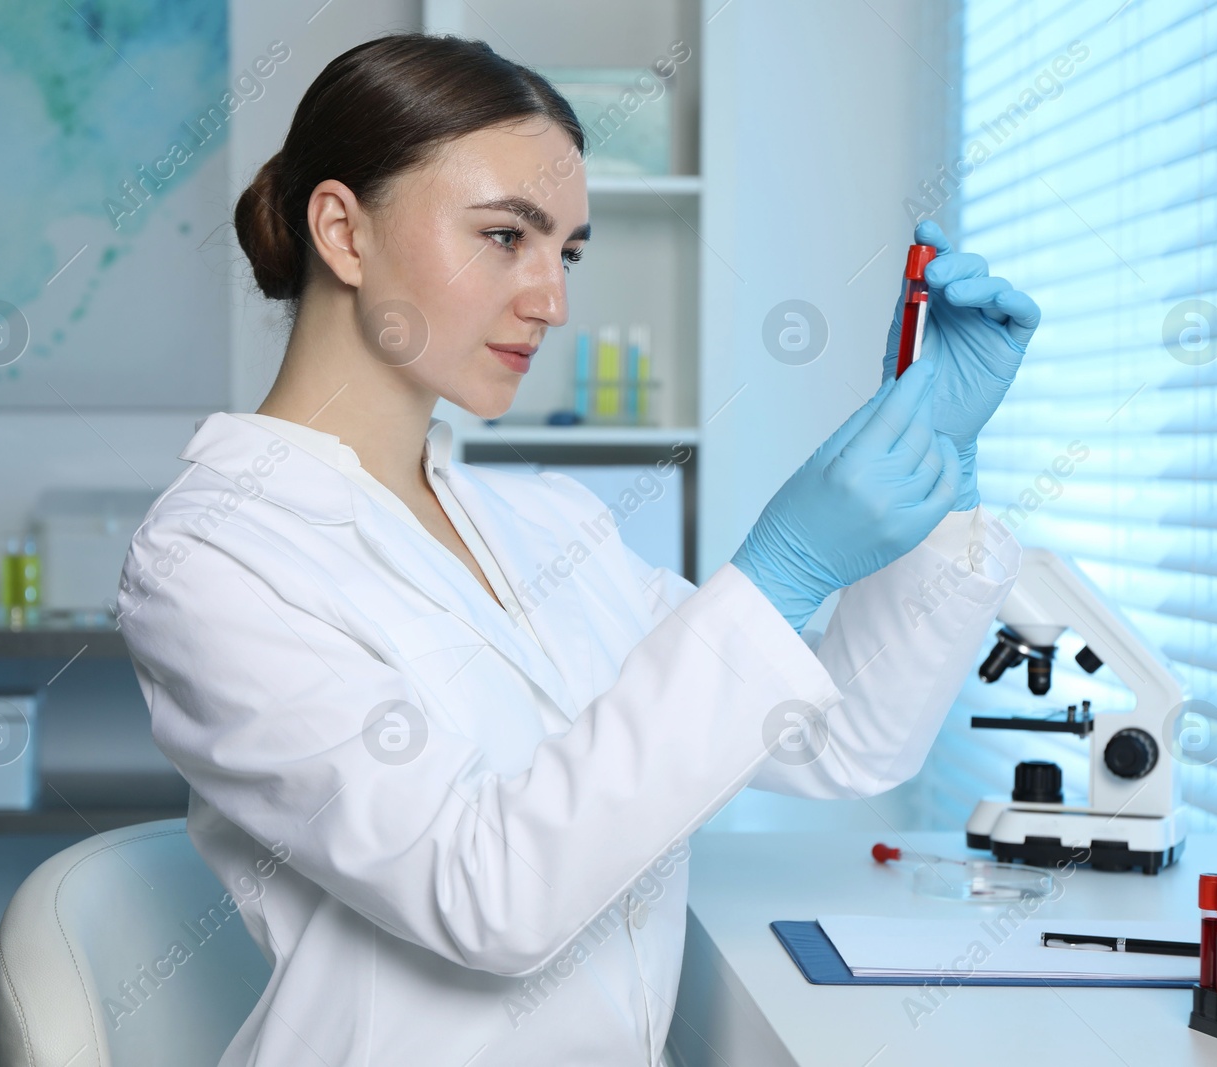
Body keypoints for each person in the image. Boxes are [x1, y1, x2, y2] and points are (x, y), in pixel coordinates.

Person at [116, 31, 1040, 1067]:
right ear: (343, 230)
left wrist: (940, 487)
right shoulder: (214, 559)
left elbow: (844, 737)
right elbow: (489, 897)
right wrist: (774, 572)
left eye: (567, 250)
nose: (552, 298)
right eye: (506, 236)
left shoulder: (548, 525)